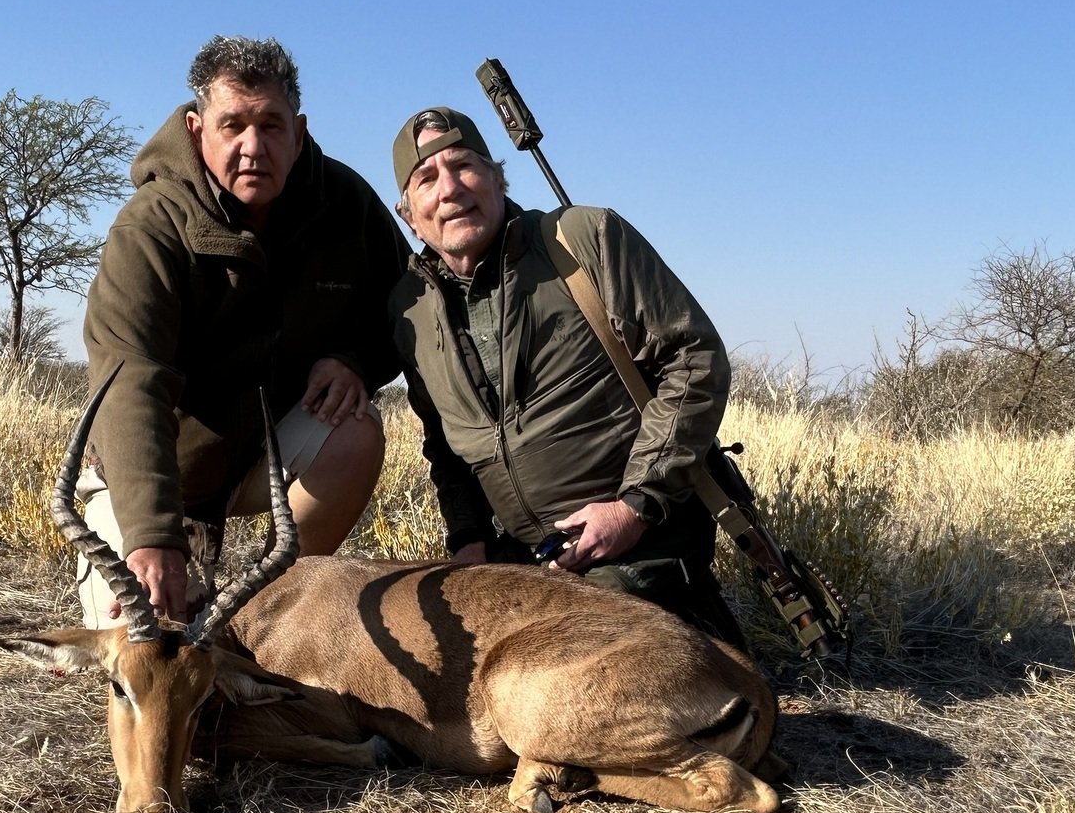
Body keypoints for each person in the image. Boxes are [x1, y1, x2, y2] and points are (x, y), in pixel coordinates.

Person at [77, 36, 408, 626]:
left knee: (356, 430)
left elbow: (410, 305)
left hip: (268, 459)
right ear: (196, 126)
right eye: (233, 125)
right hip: (163, 471)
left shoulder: (347, 201)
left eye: (272, 126)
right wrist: (153, 537)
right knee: (145, 646)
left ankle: (264, 613)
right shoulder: (149, 226)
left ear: (299, 131)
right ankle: (160, 573)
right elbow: (131, 383)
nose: (253, 147)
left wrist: (355, 359)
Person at [387, 105, 743, 641]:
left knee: (577, 664)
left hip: (637, 544)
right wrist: (467, 540)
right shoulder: (408, 309)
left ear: (497, 177)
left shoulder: (583, 236)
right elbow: (445, 443)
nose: (450, 189)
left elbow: (694, 359)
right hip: (521, 559)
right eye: (426, 179)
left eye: (463, 165)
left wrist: (635, 507)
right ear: (407, 213)